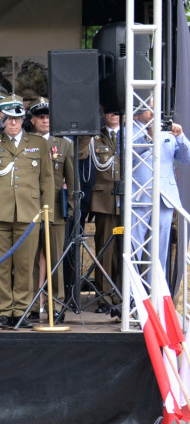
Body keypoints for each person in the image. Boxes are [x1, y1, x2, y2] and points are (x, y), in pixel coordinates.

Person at [0, 95, 54, 329]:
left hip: (29, 212)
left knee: (25, 266)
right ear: (1, 119)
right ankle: (5, 311)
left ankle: (23, 310)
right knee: (1, 265)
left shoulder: (38, 143)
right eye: (8, 119)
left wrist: (47, 213)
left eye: (16, 118)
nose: (12, 123)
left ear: (24, 119)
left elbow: (47, 180)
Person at [27, 98, 74, 319]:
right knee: (31, 258)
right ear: (33, 120)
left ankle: (57, 304)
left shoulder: (63, 144)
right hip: (29, 207)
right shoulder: (26, 142)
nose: (45, 120)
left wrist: (71, 208)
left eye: (48, 117)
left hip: (55, 208)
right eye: (41, 117)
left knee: (56, 258)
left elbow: (72, 180)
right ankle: (34, 304)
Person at [130, 104, 190, 274]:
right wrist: (148, 136)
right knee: (135, 248)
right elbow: (126, 155)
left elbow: (187, 158)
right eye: (149, 107)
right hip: (139, 197)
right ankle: (134, 296)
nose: (154, 111)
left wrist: (180, 137)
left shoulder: (169, 132)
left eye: (157, 107)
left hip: (165, 198)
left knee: (161, 249)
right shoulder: (129, 129)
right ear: (139, 109)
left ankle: (156, 292)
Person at [79, 110, 123, 310]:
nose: (113, 115)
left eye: (117, 112)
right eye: (109, 112)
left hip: (130, 200)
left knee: (126, 251)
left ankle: (124, 294)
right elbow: (80, 154)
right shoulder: (96, 136)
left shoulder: (134, 134)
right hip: (104, 200)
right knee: (105, 249)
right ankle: (105, 296)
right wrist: (87, 130)